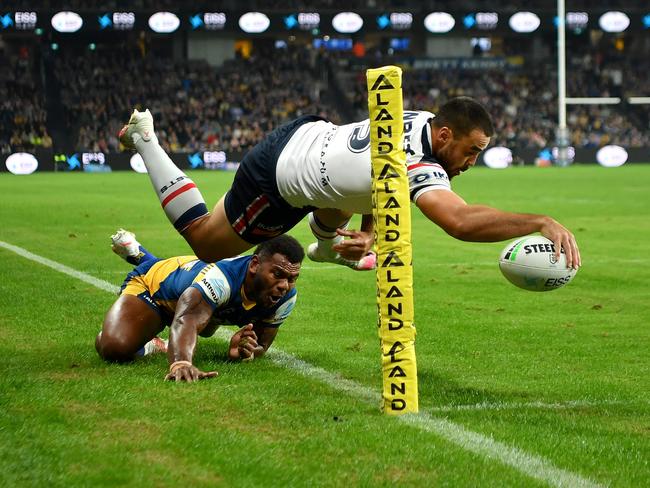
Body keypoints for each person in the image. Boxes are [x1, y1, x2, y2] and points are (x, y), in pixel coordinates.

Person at [118, 96, 580, 270]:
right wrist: (538, 221)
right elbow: (458, 222)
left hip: (311, 137)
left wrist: (373, 231)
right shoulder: (416, 160)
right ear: (444, 136)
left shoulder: (417, 118)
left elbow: (377, 181)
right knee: (206, 243)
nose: (474, 160)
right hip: (278, 180)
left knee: (338, 204)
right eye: (471, 149)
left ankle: (325, 249)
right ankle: (146, 141)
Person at [95, 229, 304, 382]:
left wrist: (244, 351)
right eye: (277, 274)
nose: (284, 286)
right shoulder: (222, 279)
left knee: (205, 325)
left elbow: (262, 345)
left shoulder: (285, 298)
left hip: (200, 299)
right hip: (155, 289)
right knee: (114, 347)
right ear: (255, 265)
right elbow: (187, 318)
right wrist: (181, 362)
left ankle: (139, 254)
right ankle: (143, 259)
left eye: (292, 278)